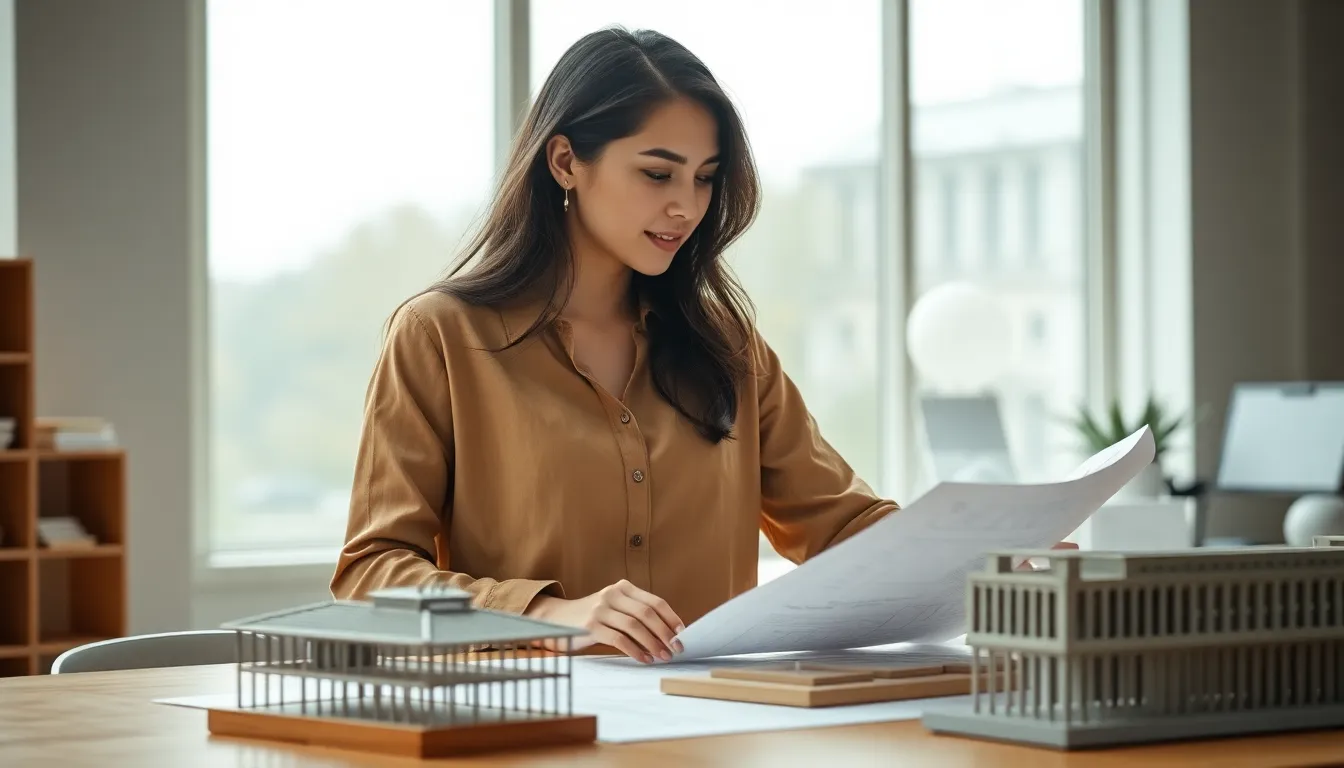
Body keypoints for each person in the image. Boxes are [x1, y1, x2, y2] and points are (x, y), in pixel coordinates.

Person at [330, 27, 1062, 663]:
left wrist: (983, 563)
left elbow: (841, 527)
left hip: (710, 729)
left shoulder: (728, 348)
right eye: (656, 173)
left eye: (705, 179)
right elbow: (372, 574)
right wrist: (550, 615)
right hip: (528, 729)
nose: (686, 205)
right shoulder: (441, 338)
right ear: (565, 163)